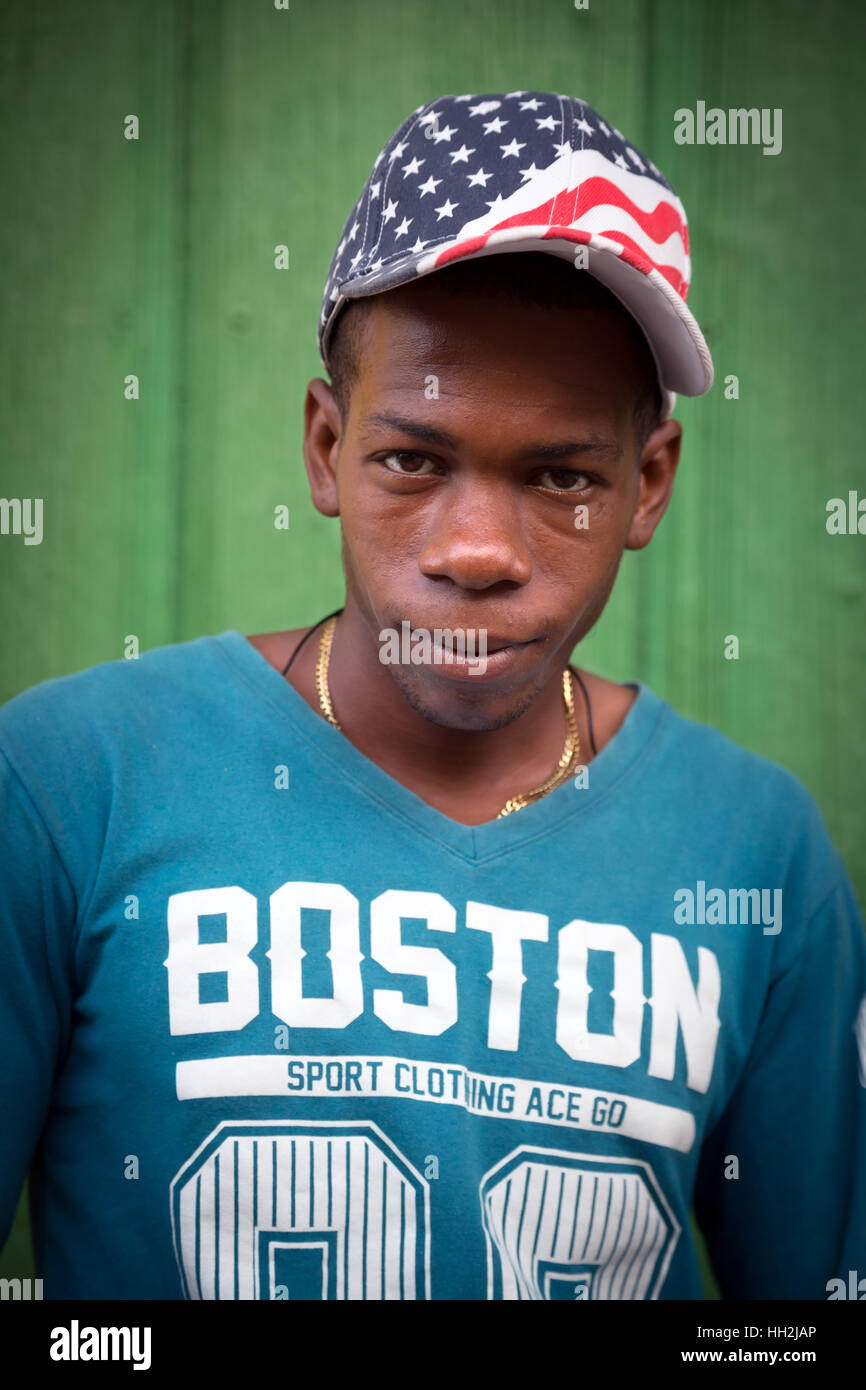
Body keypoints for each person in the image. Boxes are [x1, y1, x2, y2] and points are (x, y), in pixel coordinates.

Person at [1, 89, 864, 1301]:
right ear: (323, 448)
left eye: (561, 474)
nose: (474, 549)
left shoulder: (753, 851)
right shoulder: (66, 784)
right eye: (412, 459)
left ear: (647, 485)